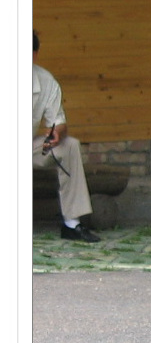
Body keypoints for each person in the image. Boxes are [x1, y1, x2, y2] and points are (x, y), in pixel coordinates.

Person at [32, 31, 100, 243]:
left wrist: (57, 132)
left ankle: (72, 223)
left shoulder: (45, 80)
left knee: (69, 145)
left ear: (34, 55)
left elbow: (58, 121)